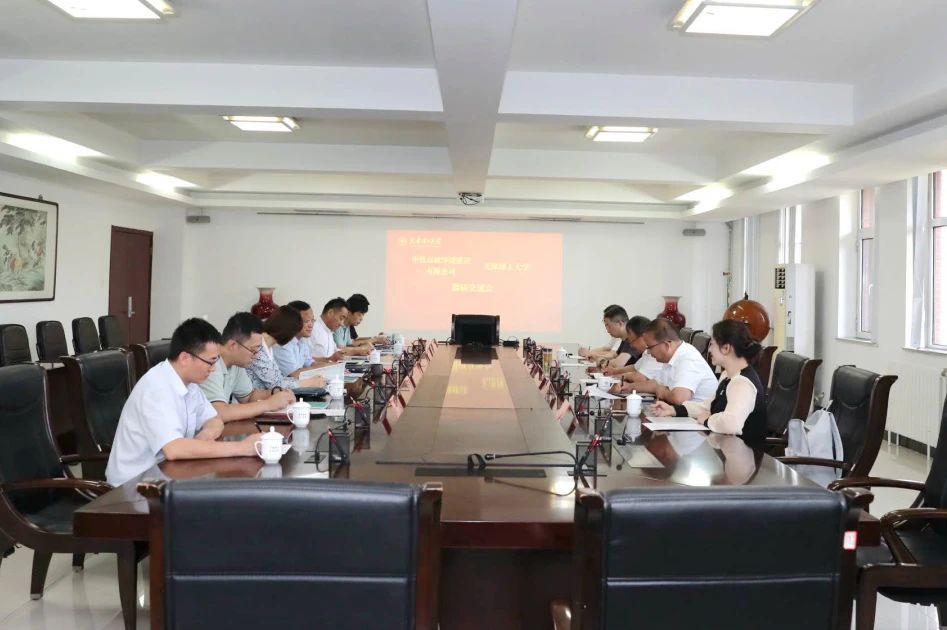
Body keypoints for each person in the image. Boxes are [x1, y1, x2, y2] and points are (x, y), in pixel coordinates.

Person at [105, 318, 263, 486]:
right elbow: (174, 449)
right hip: (133, 487)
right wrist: (243, 448)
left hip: (167, 475)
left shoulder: (189, 383)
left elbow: (215, 419)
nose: (213, 368)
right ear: (185, 358)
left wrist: (206, 435)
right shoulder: (157, 388)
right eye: (210, 362)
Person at [649, 319, 767, 443]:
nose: (709, 350)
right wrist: (673, 410)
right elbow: (708, 406)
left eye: (712, 344)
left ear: (726, 348)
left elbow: (731, 424)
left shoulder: (742, 383)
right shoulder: (727, 375)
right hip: (724, 445)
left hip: (743, 451)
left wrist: (707, 420)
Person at [198, 312, 296, 422]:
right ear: (233, 345)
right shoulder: (211, 363)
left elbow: (249, 396)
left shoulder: (236, 363)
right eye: (253, 350)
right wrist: (268, 404)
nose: (256, 355)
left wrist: (275, 393)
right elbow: (219, 412)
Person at [612, 318, 717, 404]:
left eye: (650, 347)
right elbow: (655, 384)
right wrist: (629, 387)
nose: (649, 352)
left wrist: (660, 390)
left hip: (698, 420)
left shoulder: (688, 359)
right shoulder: (671, 356)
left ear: (667, 345)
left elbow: (679, 398)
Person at [248, 305, 327, 391]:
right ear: (287, 329)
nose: (292, 338)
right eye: (293, 332)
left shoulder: (268, 346)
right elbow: (275, 385)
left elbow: (279, 378)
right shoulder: (259, 347)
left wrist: (309, 381)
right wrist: (308, 383)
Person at [272, 300, 317, 377]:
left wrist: (334, 366)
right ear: (293, 321)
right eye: (306, 321)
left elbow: (310, 363)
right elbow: (294, 374)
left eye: (312, 320)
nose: (311, 325)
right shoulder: (282, 343)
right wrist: (322, 370)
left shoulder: (301, 341)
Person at [309, 297, 348, 362]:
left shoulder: (329, 330)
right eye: (341, 318)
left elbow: (335, 352)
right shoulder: (311, 329)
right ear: (330, 313)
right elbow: (304, 360)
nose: (342, 324)